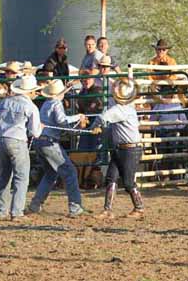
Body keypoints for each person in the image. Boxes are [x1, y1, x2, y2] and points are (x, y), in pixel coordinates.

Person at [27, 80, 87, 217]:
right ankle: (75, 207)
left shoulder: (46, 104)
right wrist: (78, 117)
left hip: (39, 142)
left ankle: (35, 204)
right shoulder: (56, 104)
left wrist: (66, 88)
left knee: (50, 174)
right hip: (49, 143)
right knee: (70, 172)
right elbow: (61, 120)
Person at [0, 75, 43, 221]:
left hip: (1, 140)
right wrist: (40, 128)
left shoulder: (5, 102)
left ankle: (1, 211)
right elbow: (35, 132)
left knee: (4, 176)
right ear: (29, 92)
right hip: (18, 141)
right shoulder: (31, 107)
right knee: (21, 177)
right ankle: (17, 212)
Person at [90, 78, 145, 219]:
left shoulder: (119, 110)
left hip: (130, 150)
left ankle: (139, 208)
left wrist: (95, 126)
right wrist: (96, 126)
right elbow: (104, 117)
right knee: (111, 178)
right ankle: (108, 210)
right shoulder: (124, 109)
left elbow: (103, 117)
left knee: (127, 182)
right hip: (121, 148)